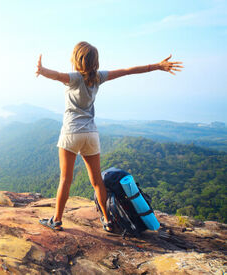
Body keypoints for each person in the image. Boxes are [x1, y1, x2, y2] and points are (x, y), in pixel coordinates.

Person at [36, 41, 183, 232]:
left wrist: (42, 70)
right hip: (91, 134)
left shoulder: (73, 78)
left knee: (65, 179)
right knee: (97, 181)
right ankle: (107, 220)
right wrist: (157, 66)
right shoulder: (98, 77)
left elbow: (56, 75)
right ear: (95, 61)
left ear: (76, 59)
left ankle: (56, 220)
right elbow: (127, 70)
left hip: (71, 132)